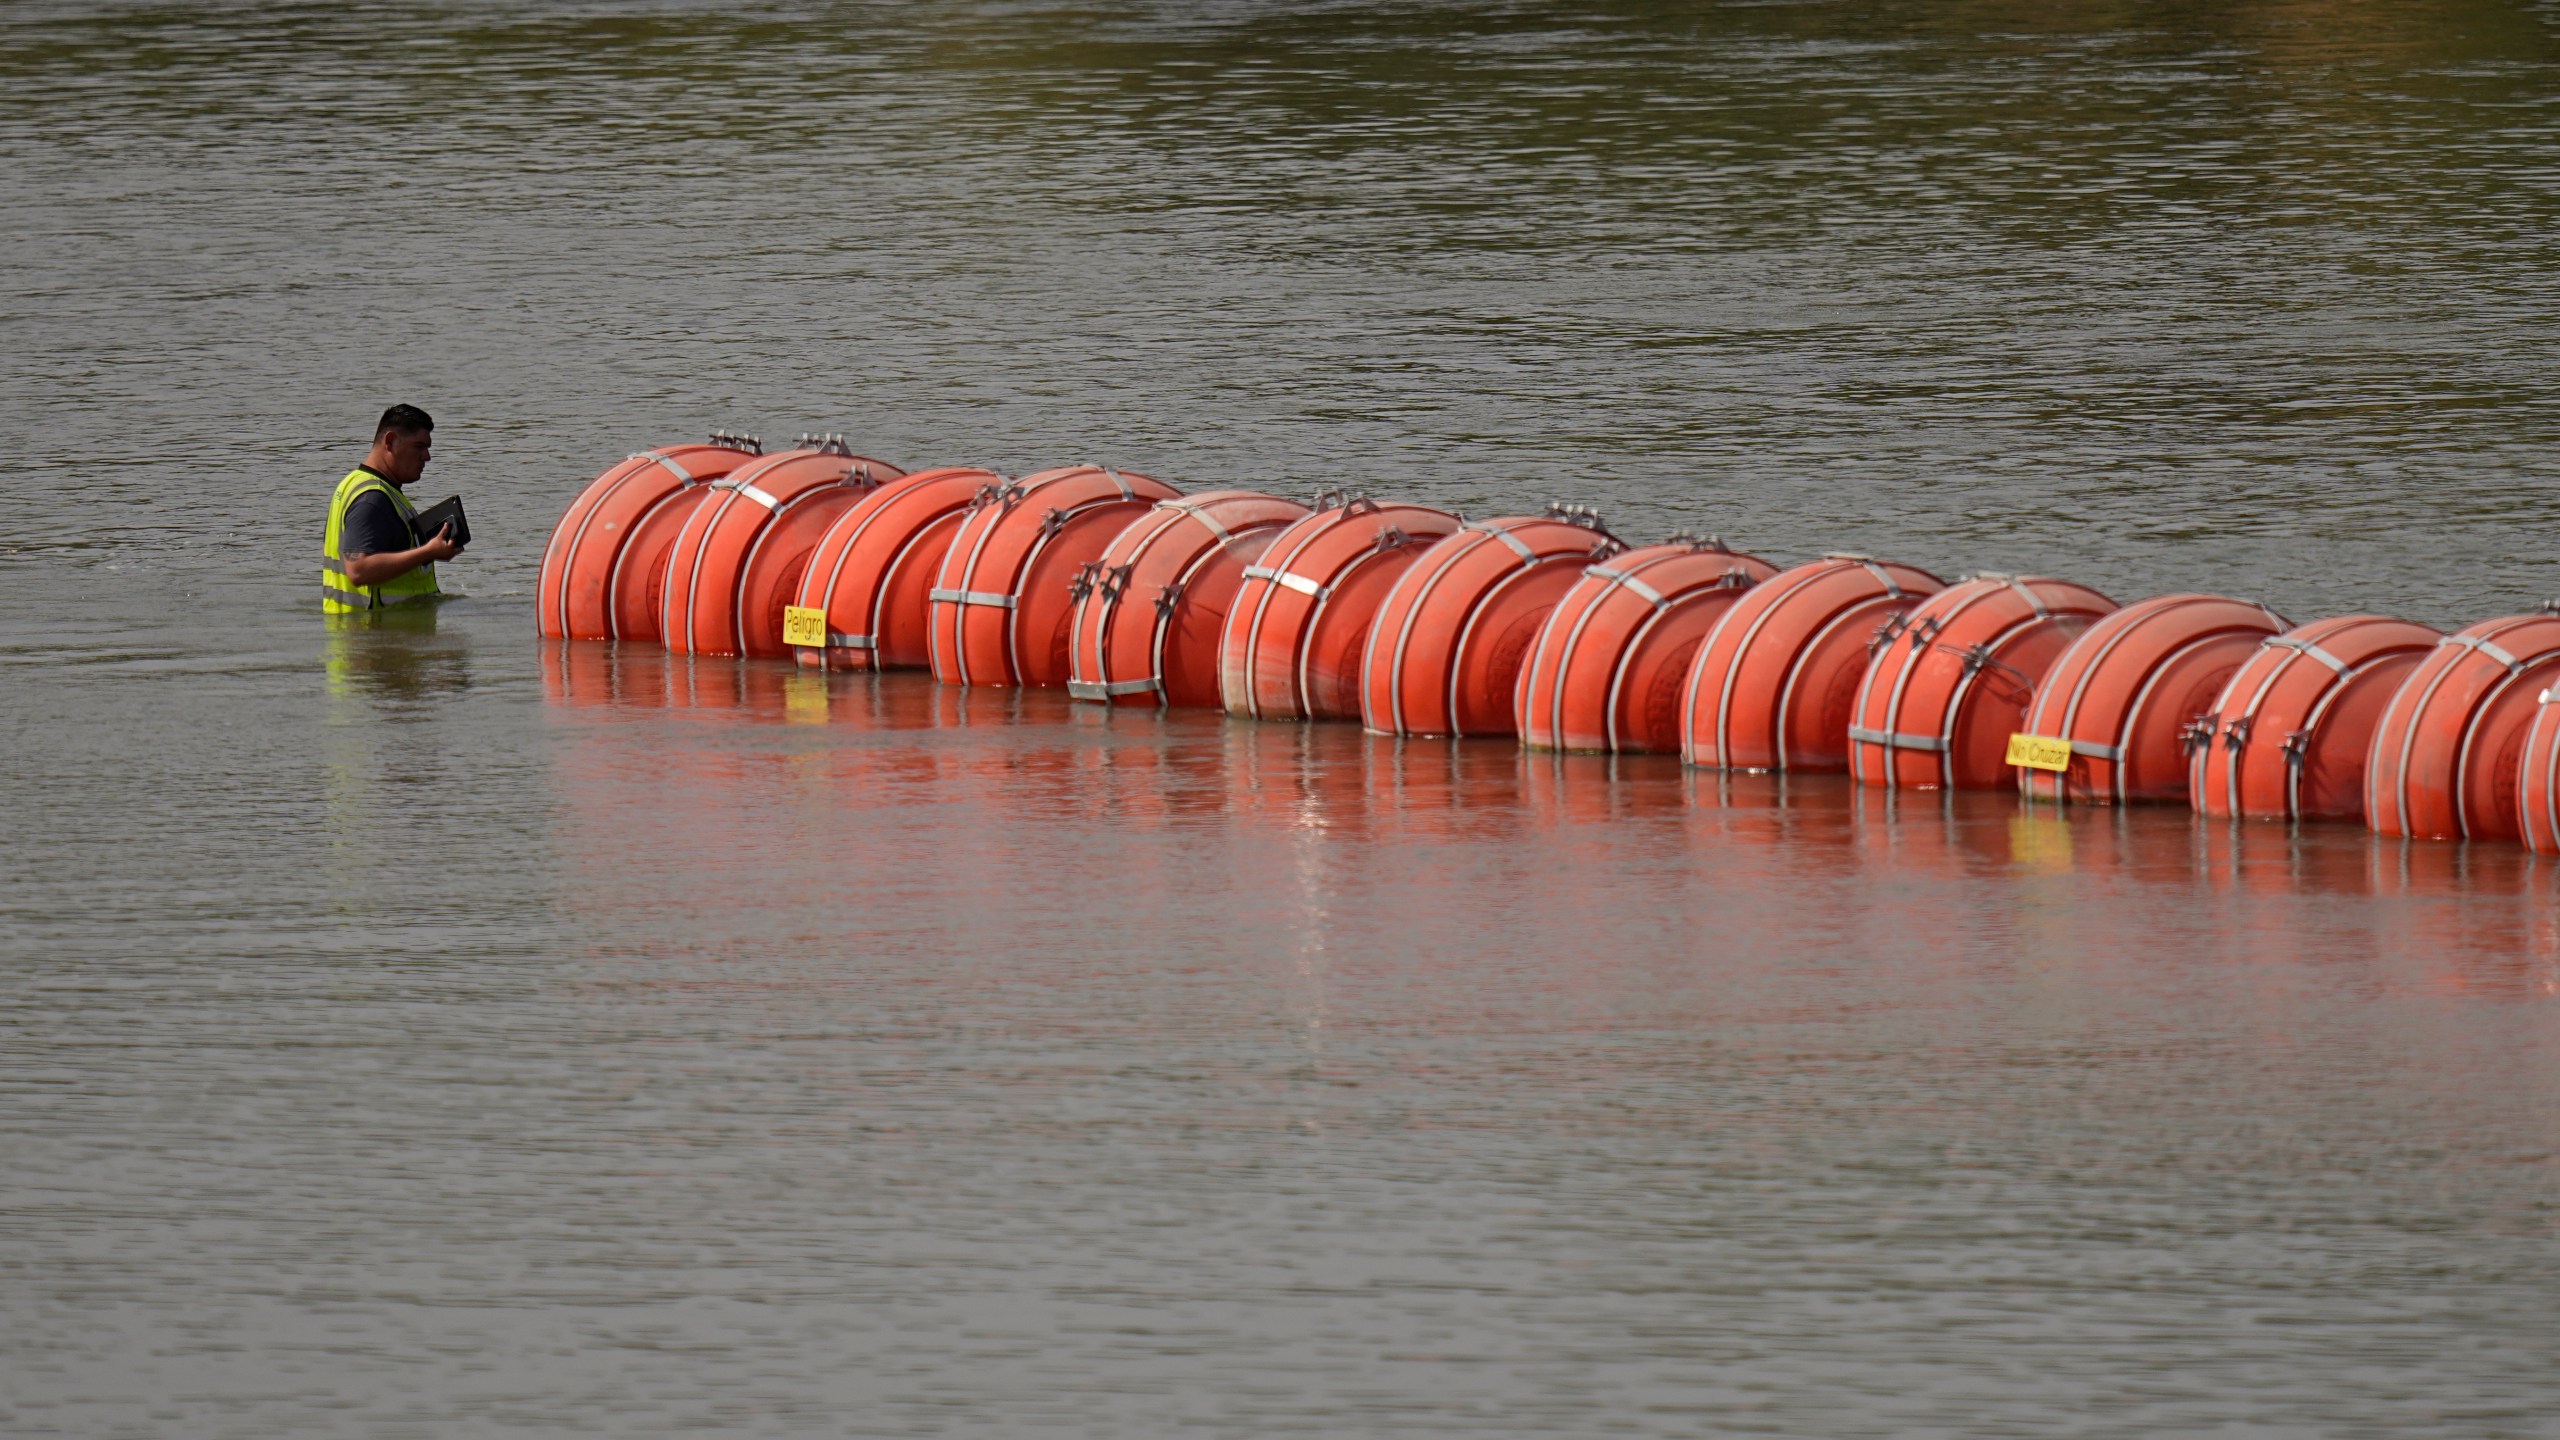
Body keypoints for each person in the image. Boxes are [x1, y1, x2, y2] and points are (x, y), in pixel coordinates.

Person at [321, 404, 463, 614]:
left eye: (428, 448)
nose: (427, 457)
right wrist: (427, 552)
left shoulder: (365, 486)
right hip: (373, 637)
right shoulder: (372, 499)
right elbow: (358, 571)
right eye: (419, 446)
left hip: (375, 635)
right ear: (390, 441)